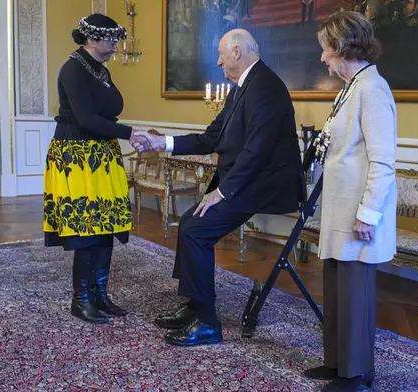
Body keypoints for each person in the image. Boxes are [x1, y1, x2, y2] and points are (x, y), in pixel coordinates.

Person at [133, 29, 305, 347]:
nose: (218, 61)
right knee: (190, 224)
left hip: (261, 184)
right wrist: (162, 142)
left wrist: (221, 193)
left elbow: (258, 152)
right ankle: (195, 307)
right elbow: (210, 138)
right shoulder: (242, 88)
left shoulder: (266, 86)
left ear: (237, 52)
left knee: (197, 230)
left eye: (222, 54)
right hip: (246, 179)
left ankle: (208, 324)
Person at [302, 11, 397, 392]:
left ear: (341, 47)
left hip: (359, 214)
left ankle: (355, 375)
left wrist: (369, 215)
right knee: (338, 290)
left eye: (326, 49)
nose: (323, 58)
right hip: (340, 209)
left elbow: (383, 161)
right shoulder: (351, 87)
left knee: (355, 295)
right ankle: (337, 363)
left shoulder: (373, 89)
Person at [42, 14, 150, 325]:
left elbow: (108, 110)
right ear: (92, 40)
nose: (116, 45)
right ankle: (82, 299)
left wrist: (124, 133)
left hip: (102, 153)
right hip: (76, 156)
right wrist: (131, 133)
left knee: (106, 226)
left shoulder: (100, 69)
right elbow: (87, 119)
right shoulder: (73, 68)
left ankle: (100, 294)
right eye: (111, 40)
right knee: (87, 229)